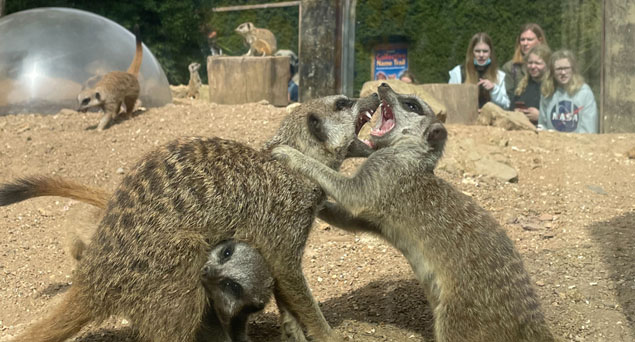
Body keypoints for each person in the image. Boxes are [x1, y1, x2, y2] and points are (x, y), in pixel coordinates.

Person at [538, 49, 598, 133]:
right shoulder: (547, 92)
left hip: (579, 143)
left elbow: (589, 129)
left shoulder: (584, 93)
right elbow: (542, 125)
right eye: (559, 69)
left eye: (566, 68)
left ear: (573, 69)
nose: (563, 72)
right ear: (552, 72)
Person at [448, 32, 510, 109]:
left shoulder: (499, 75)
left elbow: (506, 105)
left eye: (485, 51)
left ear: (490, 53)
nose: (481, 55)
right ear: (471, 52)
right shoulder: (458, 72)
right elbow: (449, 101)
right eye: (477, 51)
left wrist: (494, 89)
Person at [503, 23, 548, 101]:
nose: (525, 43)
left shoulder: (551, 63)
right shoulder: (510, 67)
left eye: (529, 40)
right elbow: (508, 99)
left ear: (540, 40)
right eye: (522, 40)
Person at [511, 44, 552, 126]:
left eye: (538, 63)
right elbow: (510, 109)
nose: (533, 66)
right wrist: (515, 114)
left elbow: (563, 118)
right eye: (530, 63)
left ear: (547, 65)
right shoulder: (522, 87)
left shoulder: (553, 88)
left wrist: (540, 117)